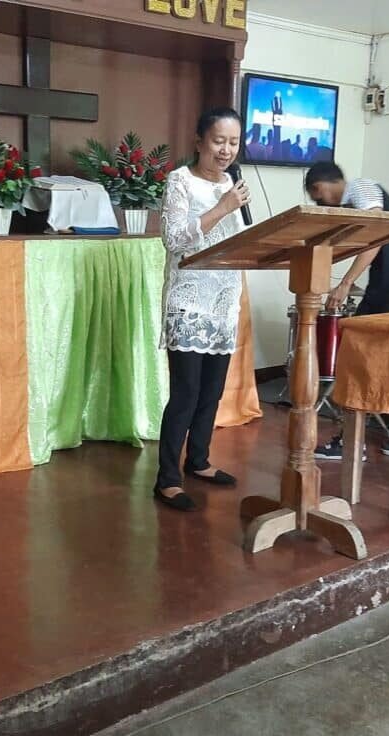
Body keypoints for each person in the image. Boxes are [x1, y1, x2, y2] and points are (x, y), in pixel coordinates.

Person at [154, 107, 251, 511]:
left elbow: (243, 236)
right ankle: (166, 480)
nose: (226, 149)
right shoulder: (180, 182)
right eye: (218, 141)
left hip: (223, 300)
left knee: (212, 391)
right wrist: (223, 207)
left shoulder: (233, 183)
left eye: (233, 142)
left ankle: (199, 461)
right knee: (186, 393)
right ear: (199, 142)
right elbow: (174, 240)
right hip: (189, 302)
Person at [305, 161, 389, 458]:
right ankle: (355, 437)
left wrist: (346, 282)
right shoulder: (352, 205)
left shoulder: (361, 187)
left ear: (322, 185)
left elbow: (377, 235)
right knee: (359, 362)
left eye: (317, 195)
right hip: (386, 290)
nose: (320, 201)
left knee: (372, 362)